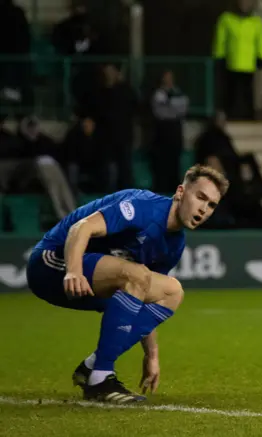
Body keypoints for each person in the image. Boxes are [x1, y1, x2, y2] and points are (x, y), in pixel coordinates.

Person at [26, 165, 229, 404]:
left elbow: (144, 293)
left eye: (211, 205)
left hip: (91, 279)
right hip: (52, 265)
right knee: (137, 275)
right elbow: (81, 228)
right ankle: (101, 379)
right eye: (200, 197)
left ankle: (93, 367)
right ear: (181, 192)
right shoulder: (143, 206)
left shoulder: (174, 245)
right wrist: (73, 271)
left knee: (172, 291)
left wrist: (151, 354)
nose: (204, 209)